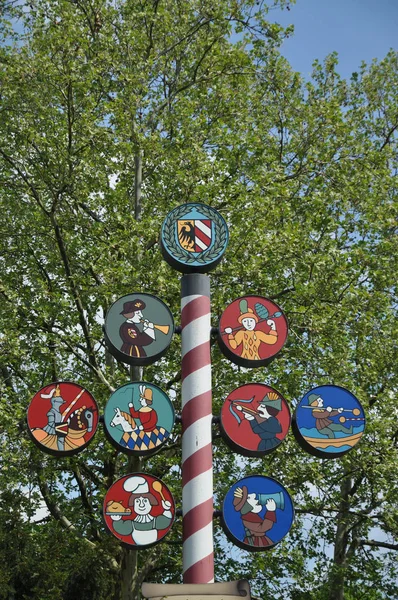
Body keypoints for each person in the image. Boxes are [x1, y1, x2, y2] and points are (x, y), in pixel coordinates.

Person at [109, 476, 172, 545]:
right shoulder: (131, 524)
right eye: (137, 502)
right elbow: (122, 529)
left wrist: (166, 510)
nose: (141, 505)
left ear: (151, 502)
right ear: (133, 504)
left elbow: (165, 522)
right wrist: (116, 519)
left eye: (145, 501)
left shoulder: (155, 521)